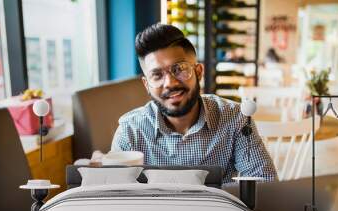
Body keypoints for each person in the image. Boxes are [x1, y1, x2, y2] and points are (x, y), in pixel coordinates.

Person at [111, 23, 277, 184]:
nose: (169, 83)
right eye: (157, 75)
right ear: (147, 85)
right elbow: (115, 196)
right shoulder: (130, 131)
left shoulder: (235, 118)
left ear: (198, 72)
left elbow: (264, 185)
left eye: (180, 69)